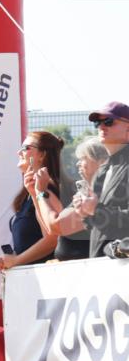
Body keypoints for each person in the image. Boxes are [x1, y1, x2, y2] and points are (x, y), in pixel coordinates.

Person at [32, 135, 108, 260]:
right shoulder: (88, 191)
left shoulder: (100, 194)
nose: (78, 163)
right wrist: (36, 193)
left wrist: (40, 192)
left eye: (83, 158)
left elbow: (56, 226)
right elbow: (51, 229)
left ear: (101, 162)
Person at [0, 132, 63, 270]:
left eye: (26, 148)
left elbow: (53, 238)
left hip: (46, 279)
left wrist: (16, 261)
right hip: (30, 277)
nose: (19, 152)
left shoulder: (47, 190)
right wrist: (10, 260)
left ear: (42, 155)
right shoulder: (32, 190)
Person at [74, 102, 129, 257]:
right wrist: (85, 213)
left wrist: (95, 210)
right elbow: (98, 227)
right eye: (98, 122)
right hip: (101, 266)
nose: (101, 127)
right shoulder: (102, 171)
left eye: (109, 122)